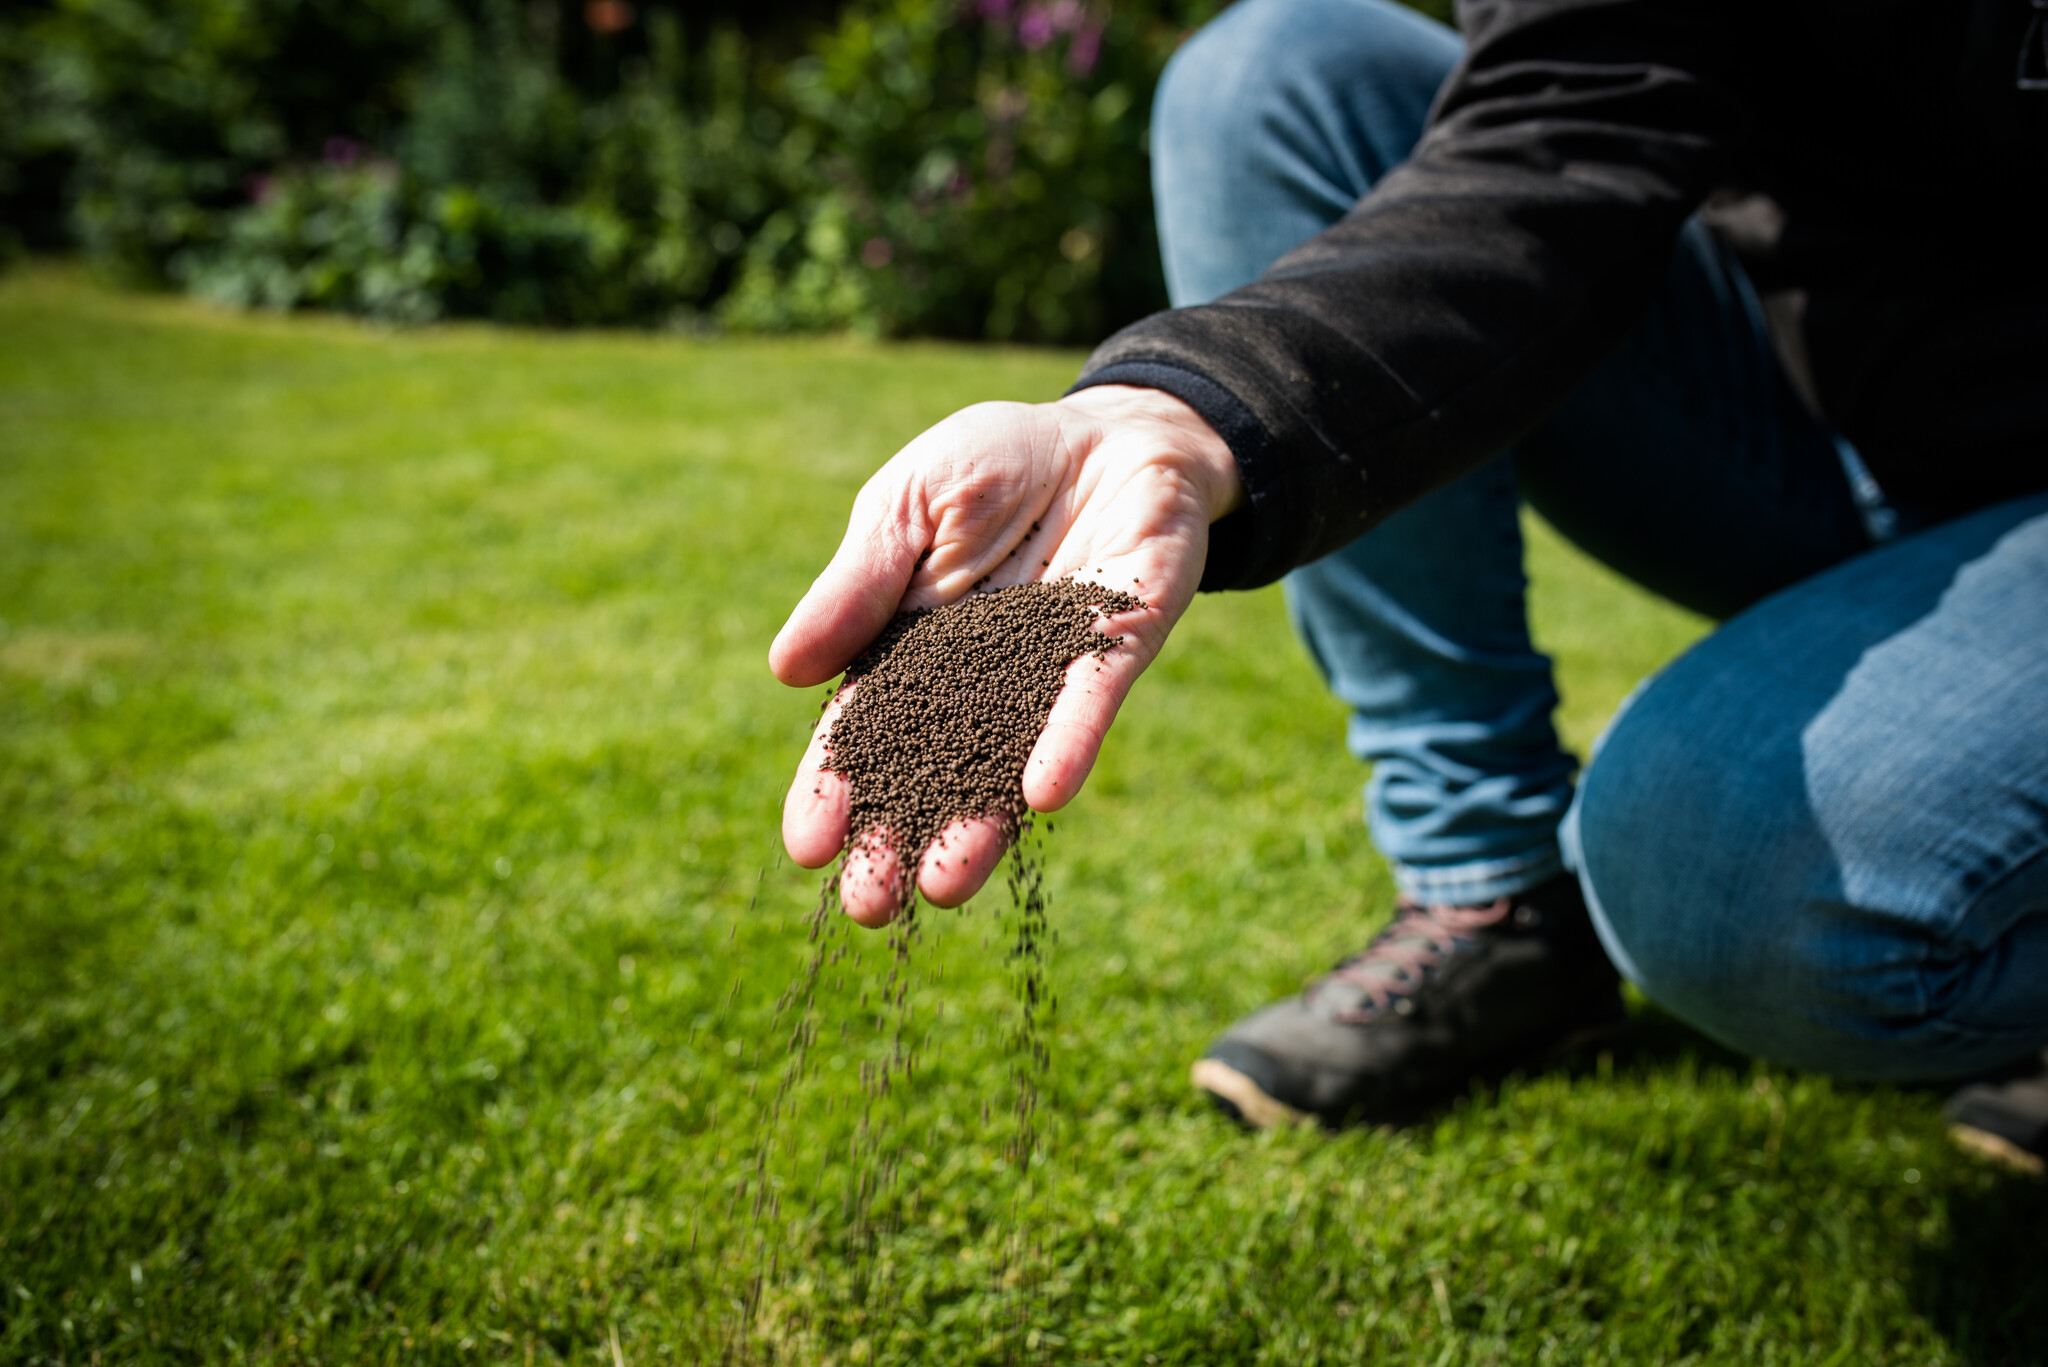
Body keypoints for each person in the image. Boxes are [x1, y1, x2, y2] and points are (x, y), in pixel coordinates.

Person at [774, 0, 2048, 1163]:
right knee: (1275, 78)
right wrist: (1173, 410)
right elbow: (1566, 127)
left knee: (1716, 864)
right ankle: (1489, 908)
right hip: (1830, 403)